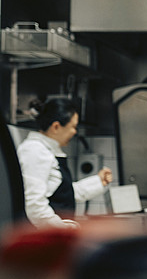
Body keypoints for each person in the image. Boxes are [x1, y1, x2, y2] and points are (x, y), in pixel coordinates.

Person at [16, 98, 112, 229]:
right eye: (73, 126)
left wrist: (98, 182)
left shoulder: (49, 150)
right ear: (56, 127)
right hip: (43, 237)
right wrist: (62, 230)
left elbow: (64, 194)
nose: (75, 132)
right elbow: (34, 205)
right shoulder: (35, 151)